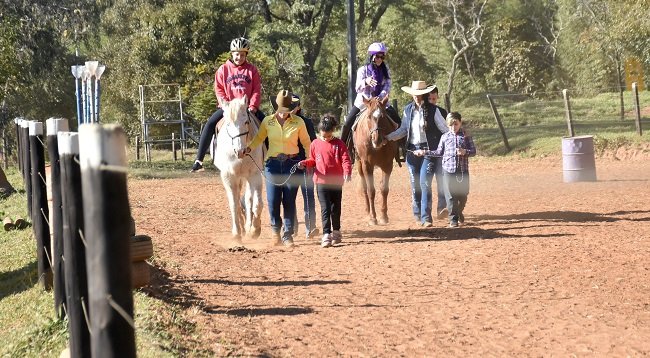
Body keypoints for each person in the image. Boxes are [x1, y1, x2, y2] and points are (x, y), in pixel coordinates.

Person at [239, 90, 312, 246]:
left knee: (289, 200)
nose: (285, 113)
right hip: (272, 165)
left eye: (288, 110)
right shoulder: (267, 121)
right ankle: (275, 232)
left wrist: (309, 159)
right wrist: (248, 149)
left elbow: (306, 143)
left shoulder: (298, 122)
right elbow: (259, 138)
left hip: (292, 164)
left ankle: (287, 234)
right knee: (273, 201)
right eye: (282, 109)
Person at [191, 37, 265, 172]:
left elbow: (256, 89)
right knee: (210, 124)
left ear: (246, 55)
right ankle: (199, 160)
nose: (239, 57)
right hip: (229, 108)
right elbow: (219, 89)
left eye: (242, 55)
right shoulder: (223, 70)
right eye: (237, 54)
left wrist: (253, 106)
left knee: (266, 123)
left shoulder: (252, 70)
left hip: (246, 108)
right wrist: (225, 105)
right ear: (232, 54)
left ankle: (270, 158)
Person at [385, 81, 447, 227]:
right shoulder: (408, 110)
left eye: (419, 95)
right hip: (412, 152)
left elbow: (444, 129)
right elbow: (404, 130)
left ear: (424, 95)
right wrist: (387, 138)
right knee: (415, 185)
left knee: (424, 184)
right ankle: (417, 212)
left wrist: (451, 141)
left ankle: (426, 217)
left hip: (428, 152)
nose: (416, 97)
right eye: (414, 94)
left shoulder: (433, 110)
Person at [413, 112, 476, 228]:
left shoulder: (466, 136)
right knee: (450, 196)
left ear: (460, 123)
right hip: (448, 170)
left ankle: (458, 211)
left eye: (456, 124)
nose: (453, 127)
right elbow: (439, 152)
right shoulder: (445, 137)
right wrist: (424, 152)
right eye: (451, 125)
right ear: (448, 125)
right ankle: (453, 220)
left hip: (462, 170)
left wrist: (465, 152)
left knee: (463, 195)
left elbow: (473, 151)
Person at [299, 114, 352, 248]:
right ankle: (326, 234)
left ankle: (337, 231)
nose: (326, 138)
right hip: (321, 181)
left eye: (328, 136)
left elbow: (346, 160)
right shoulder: (315, 144)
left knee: (336, 208)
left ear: (333, 130)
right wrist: (305, 163)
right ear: (319, 132)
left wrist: (347, 172)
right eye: (323, 135)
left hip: (336, 182)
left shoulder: (339, 144)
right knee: (325, 208)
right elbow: (312, 159)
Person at [271, 93, 318, 238]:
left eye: (293, 106)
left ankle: (310, 227)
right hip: (286, 165)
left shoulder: (306, 122)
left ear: (298, 107)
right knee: (288, 198)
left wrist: (311, 162)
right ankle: (292, 227)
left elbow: (313, 143)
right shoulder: (277, 122)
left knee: (308, 196)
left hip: (304, 164)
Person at [340, 42, 401, 150]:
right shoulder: (363, 70)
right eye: (377, 56)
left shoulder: (386, 69)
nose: (380, 59)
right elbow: (357, 88)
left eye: (382, 57)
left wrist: (381, 95)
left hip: (380, 101)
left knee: (398, 121)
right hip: (364, 102)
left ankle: (403, 148)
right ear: (372, 56)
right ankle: (341, 149)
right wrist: (366, 81)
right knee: (347, 124)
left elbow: (388, 85)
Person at [427, 86, 450, 219]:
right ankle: (427, 210)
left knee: (442, 180)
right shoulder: (422, 111)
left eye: (434, 98)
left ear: (437, 97)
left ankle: (442, 208)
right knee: (426, 182)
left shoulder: (442, 111)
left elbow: (447, 129)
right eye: (429, 98)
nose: (431, 101)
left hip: (441, 152)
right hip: (428, 151)